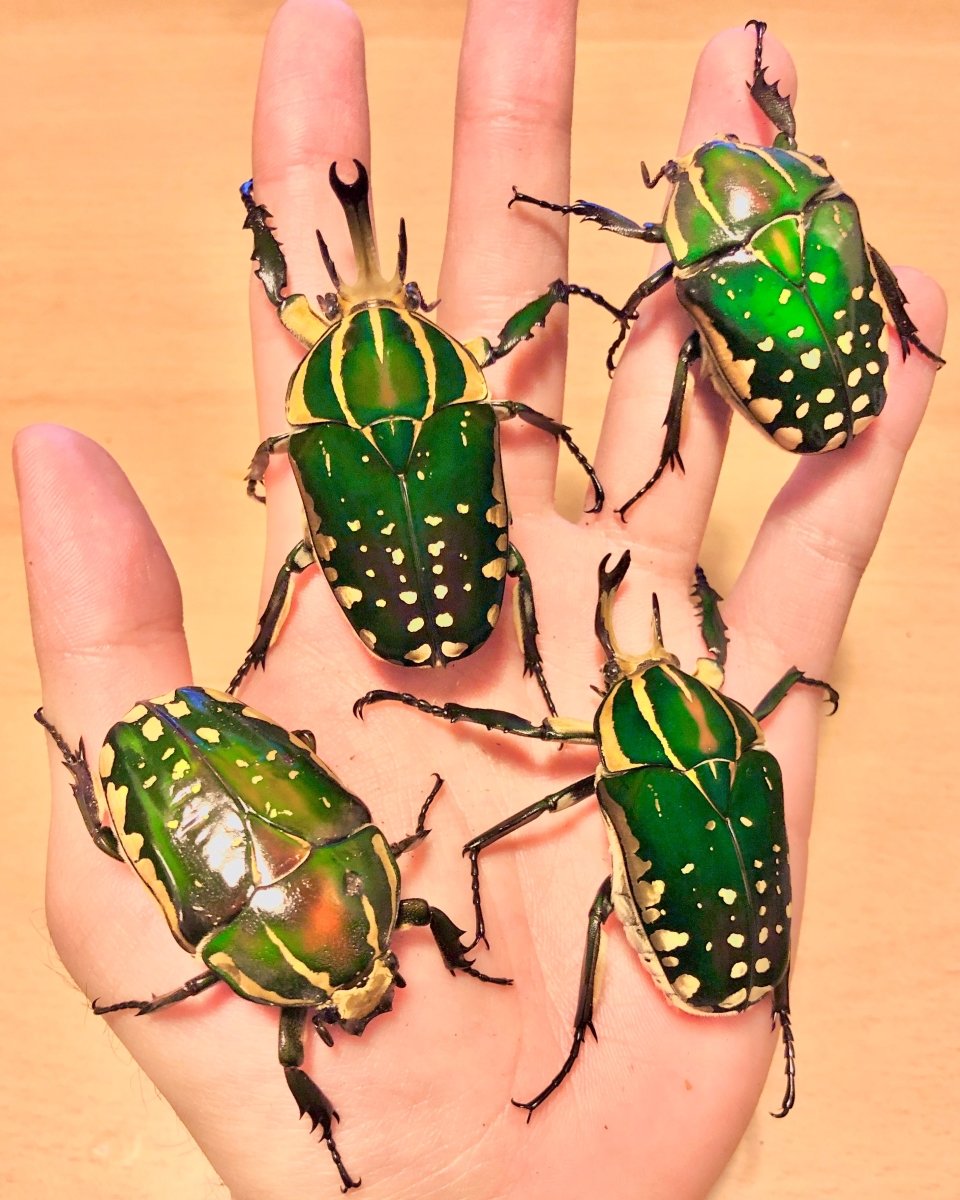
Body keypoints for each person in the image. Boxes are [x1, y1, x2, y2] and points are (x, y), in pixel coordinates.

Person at [16, 1, 945, 1197]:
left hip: (427, 640)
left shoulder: (332, 430)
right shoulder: (468, 410)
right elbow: (532, 440)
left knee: (358, 569)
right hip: (452, 636)